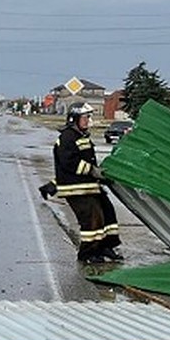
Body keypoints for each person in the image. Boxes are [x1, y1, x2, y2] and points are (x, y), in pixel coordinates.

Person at [53, 102, 121, 264]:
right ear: (74, 119)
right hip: (76, 188)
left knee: (108, 214)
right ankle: (88, 254)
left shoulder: (82, 136)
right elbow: (69, 162)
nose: (88, 120)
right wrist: (92, 171)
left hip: (89, 186)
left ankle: (106, 247)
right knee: (92, 220)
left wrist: (99, 174)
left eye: (89, 117)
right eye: (86, 117)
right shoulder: (68, 137)